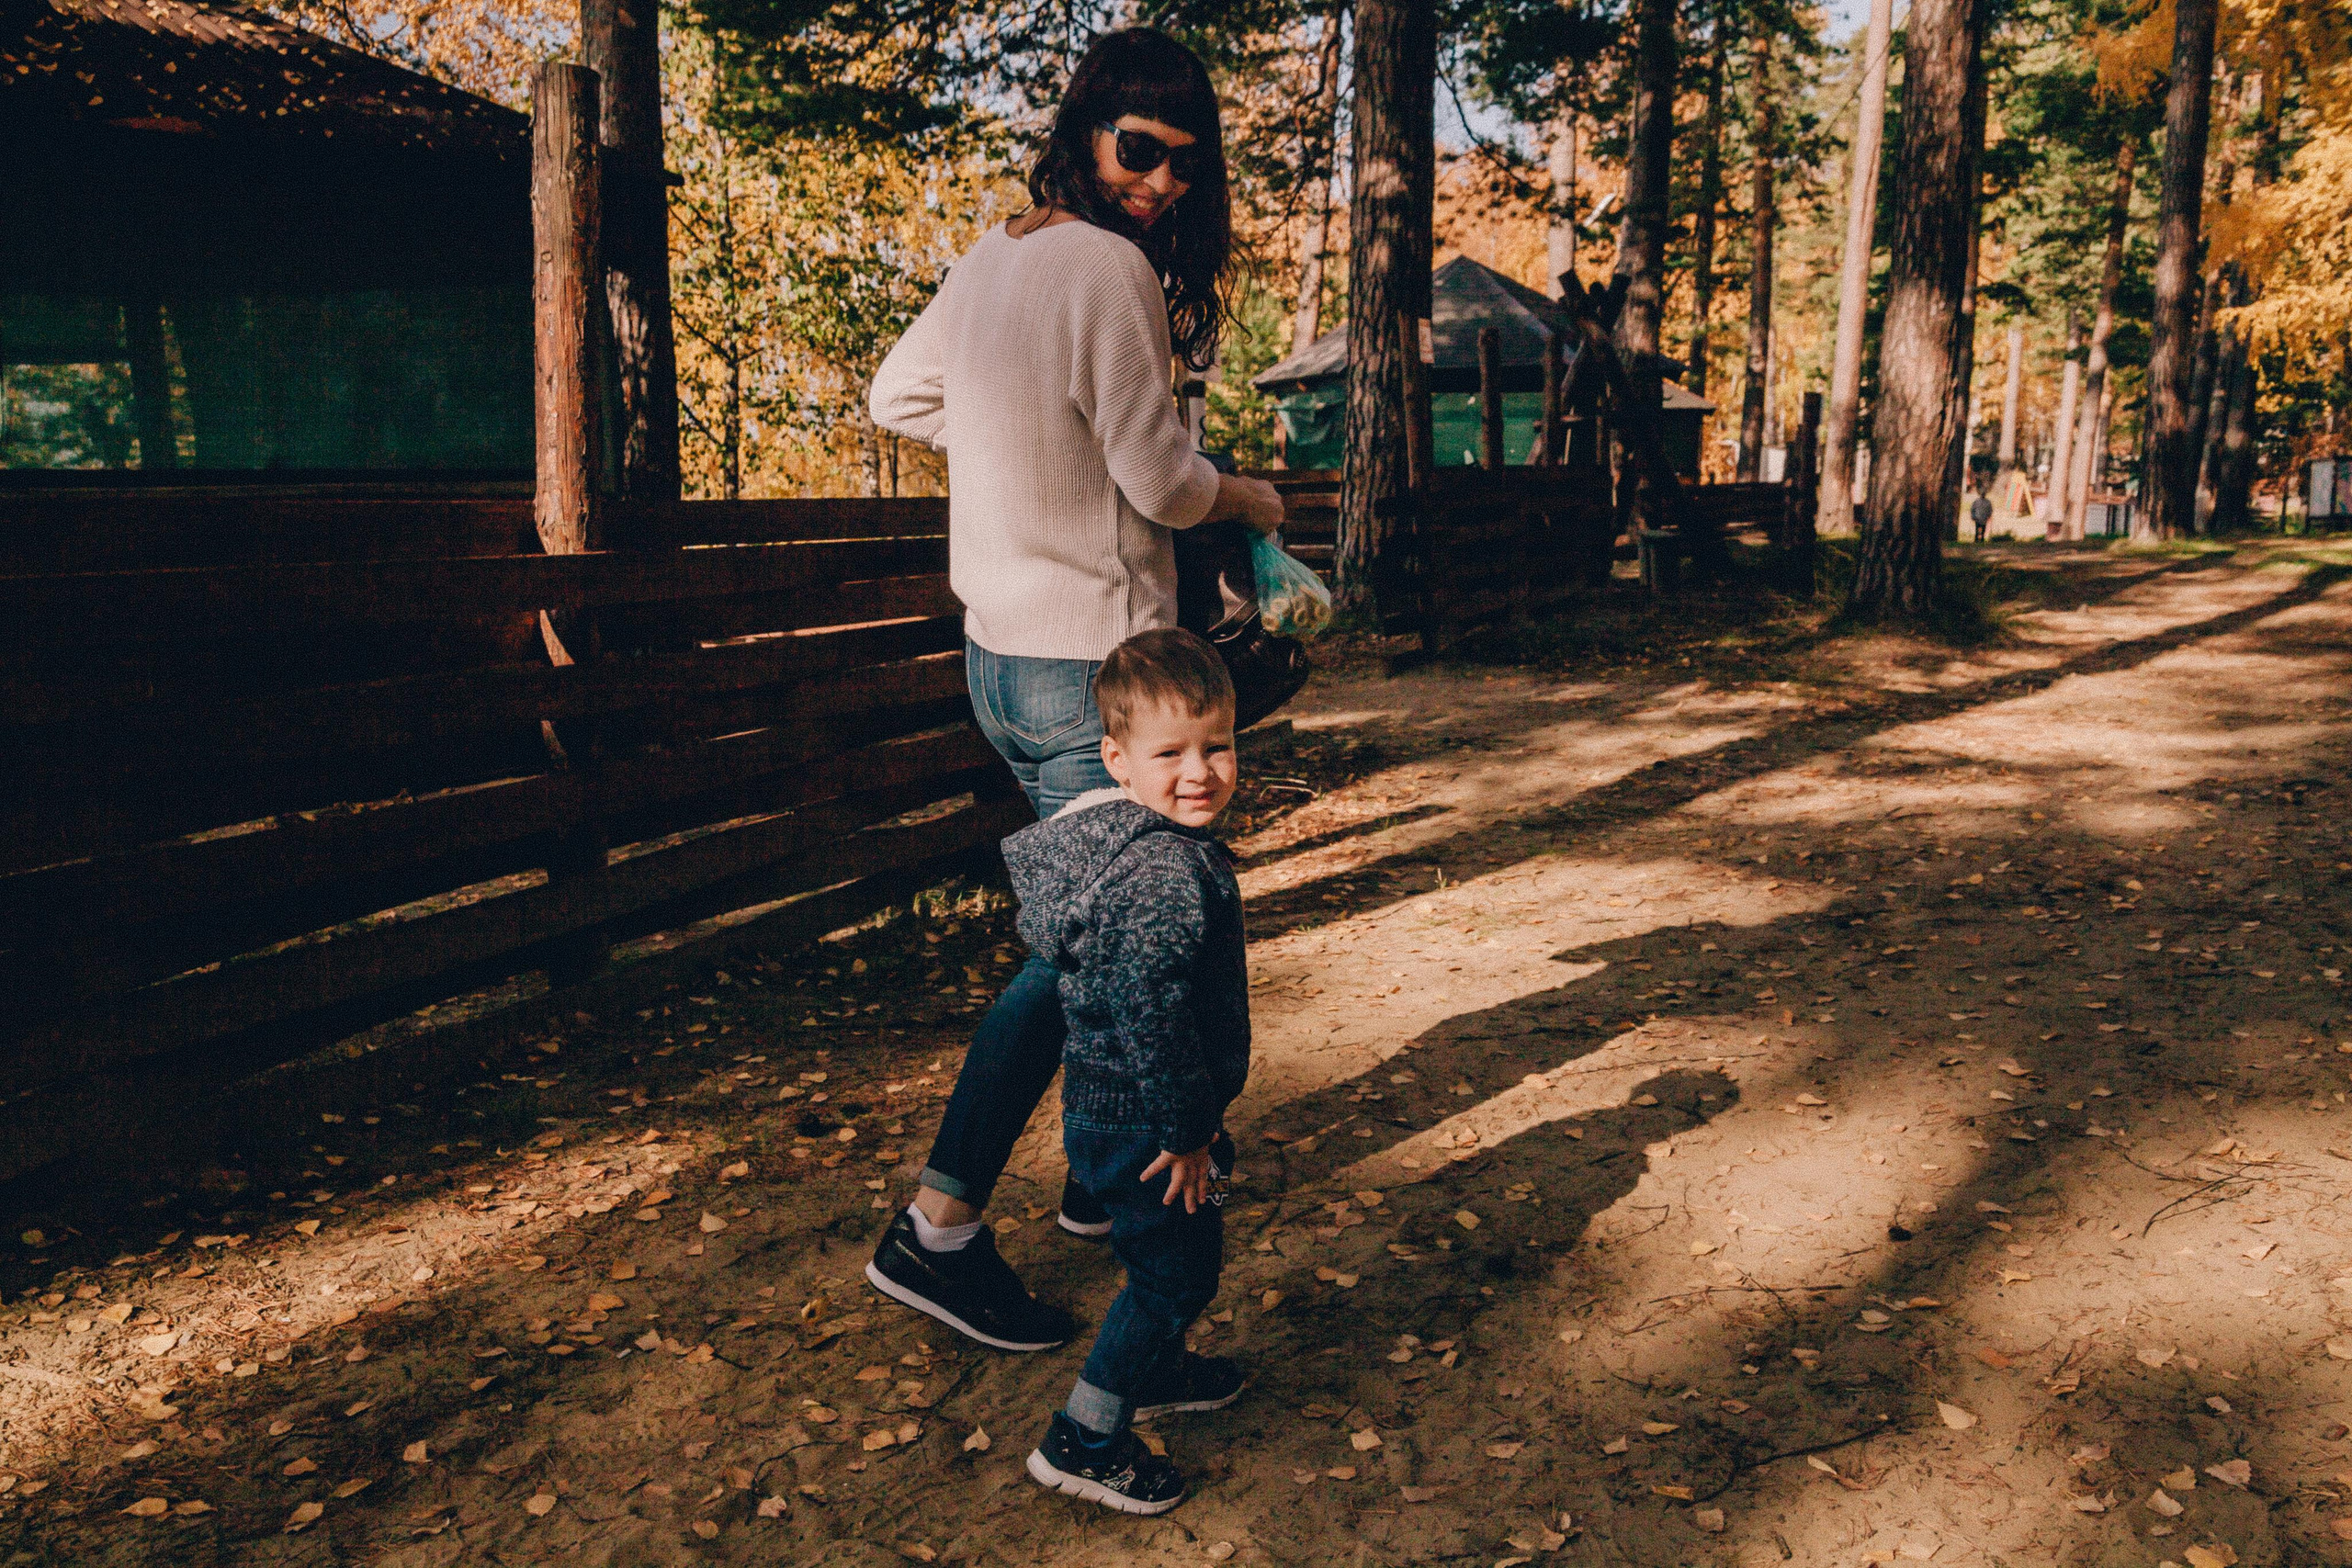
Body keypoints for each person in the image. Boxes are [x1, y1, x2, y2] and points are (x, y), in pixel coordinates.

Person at [862, 28, 1283, 1353]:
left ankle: (1100, 1184)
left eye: (1183, 166)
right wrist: (1261, 497)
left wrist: (1017, 432)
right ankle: (936, 1225)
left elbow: (900, 393)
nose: (1159, 182)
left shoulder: (1000, 255)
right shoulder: (1104, 266)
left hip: (1002, 653)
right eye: (1138, 150)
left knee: (1087, 936)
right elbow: (1163, 483)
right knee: (1085, 952)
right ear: (1088, 131)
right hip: (1091, 667)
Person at [1009, 629, 1251, 1515]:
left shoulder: (1130, 842)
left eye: (1216, 745)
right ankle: (1087, 1433)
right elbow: (1152, 1015)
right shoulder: (1160, 871)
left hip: (1121, 1110)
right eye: (1170, 753)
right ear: (1116, 759)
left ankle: (1159, 1368)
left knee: (1174, 1256)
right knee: (1173, 1274)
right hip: (1149, 1124)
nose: (1200, 771)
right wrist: (1187, 1132)